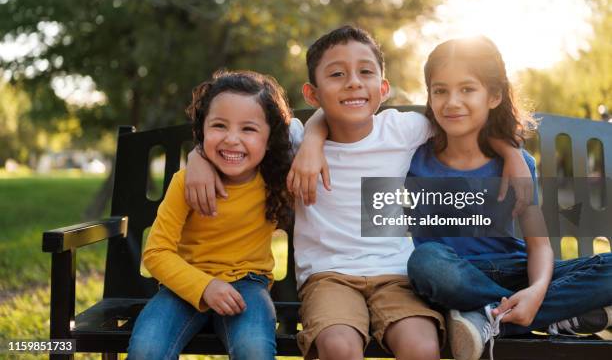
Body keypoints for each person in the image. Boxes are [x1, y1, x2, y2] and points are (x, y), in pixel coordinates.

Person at [185, 26, 532, 360]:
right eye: (337, 75)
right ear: (312, 94)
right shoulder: (292, 138)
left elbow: (462, 122)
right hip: (328, 276)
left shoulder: (403, 129)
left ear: (383, 89)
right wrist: (197, 156)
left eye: (364, 72)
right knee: (339, 348)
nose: (353, 82)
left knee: (423, 348)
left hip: (396, 275)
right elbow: (239, 136)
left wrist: (512, 152)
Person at [406, 36, 612, 360]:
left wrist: (535, 292)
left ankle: (486, 318)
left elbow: (539, 246)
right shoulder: (412, 155)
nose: (452, 102)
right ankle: (545, 314)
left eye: (467, 89)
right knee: (424, 261)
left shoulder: (517, 165)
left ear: (494, 96)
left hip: (513, 269)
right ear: (429, 96)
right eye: (440, 90)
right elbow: (355, 125)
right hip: (452, 276)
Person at [128, 70, 294, 360]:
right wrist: (204, 287)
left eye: (248, 129)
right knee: (146, 350)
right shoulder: (185, 182)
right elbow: (155, 253)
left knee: (254, 350)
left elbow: (319, 126)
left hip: (248, 285)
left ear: (270, 139)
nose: (232, 139)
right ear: (202, 130)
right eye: (219, 125)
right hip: (183, 284)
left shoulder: (276, 180)